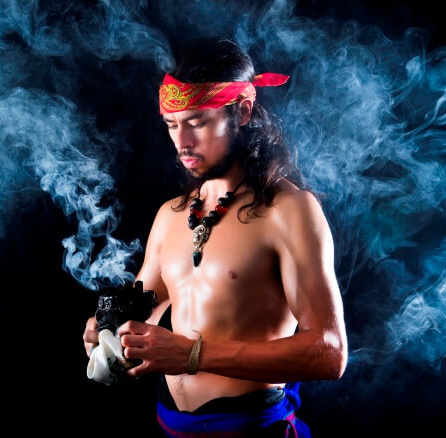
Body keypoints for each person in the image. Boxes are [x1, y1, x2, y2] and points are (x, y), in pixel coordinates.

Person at [83, 38, 348, 437]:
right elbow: (140, 316)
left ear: (241, 112)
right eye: (172, 125)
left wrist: (193, 354)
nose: (182, 143)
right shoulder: (170, 215)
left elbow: (330, 353)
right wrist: (106, 332)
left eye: (198, 122)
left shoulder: (289, 211)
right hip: (169, 427)